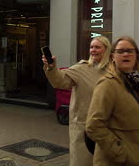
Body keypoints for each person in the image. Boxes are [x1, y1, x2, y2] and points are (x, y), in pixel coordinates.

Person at [42, 36, 112, 166]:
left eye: (97, 47)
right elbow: (60, 81)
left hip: (108, 129)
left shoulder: (114, 70)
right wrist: (51, 68)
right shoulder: (82, 68)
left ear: (107, 50)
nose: (93, 50)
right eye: (91, 47)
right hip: (84, 129)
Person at [85, 36, 139, 166]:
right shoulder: (107, 84)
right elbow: (93, 125)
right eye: (120, 51)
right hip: (117, 160)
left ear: (136, 55)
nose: (126, 54)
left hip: (138, 156)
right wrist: (119, 152)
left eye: (130, 51)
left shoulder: (138, 83)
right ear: (113, 56)